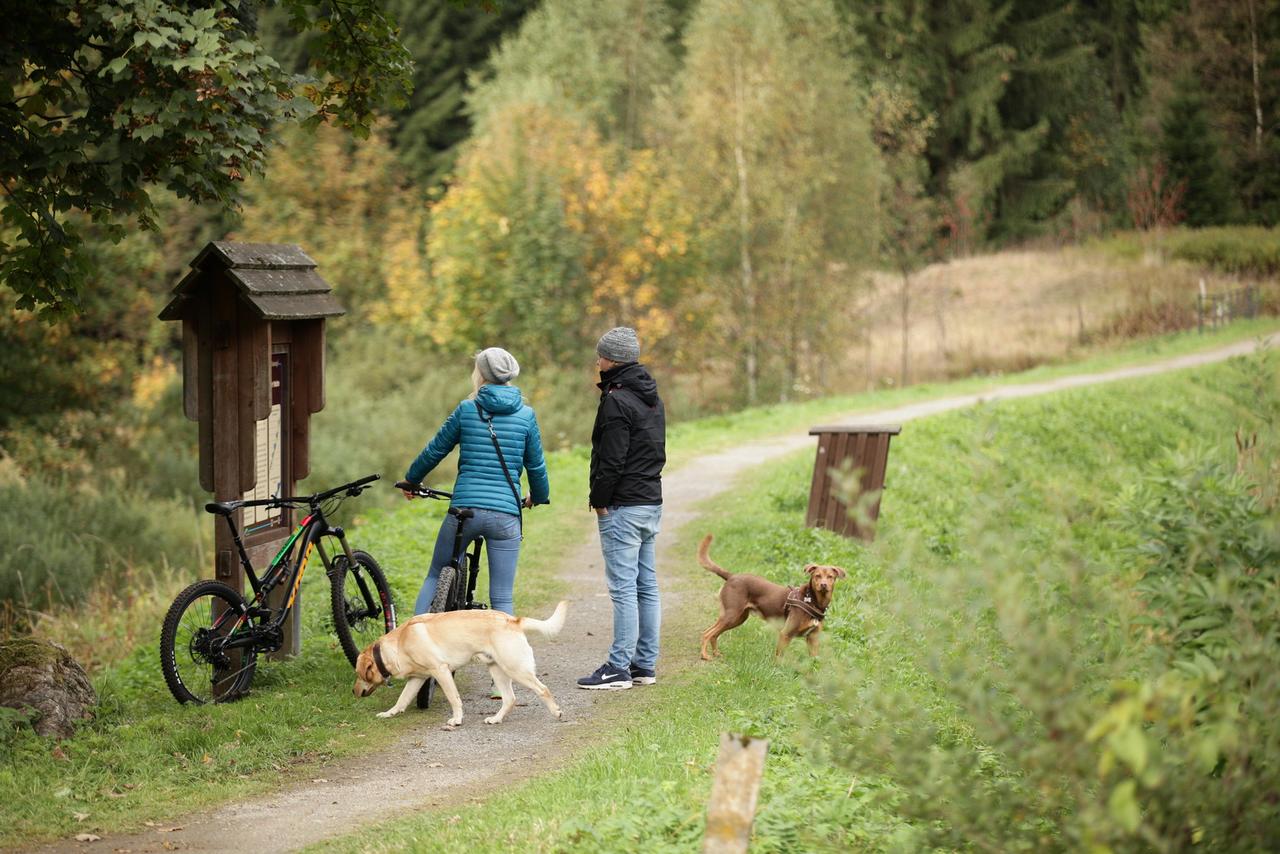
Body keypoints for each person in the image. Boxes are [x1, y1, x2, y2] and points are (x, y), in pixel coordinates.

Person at [402, 347, 550, 619]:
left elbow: (435, 450)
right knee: (502, 595)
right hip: (505, 515)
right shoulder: (526, 416)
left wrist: (412, 480)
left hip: (464, 512)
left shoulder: (467, 409)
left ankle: (414, 643)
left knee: (436, 573)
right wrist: (538, 496)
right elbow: (536, 465)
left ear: (480, 374)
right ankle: (507, 659)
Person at [577, 327, 666, 690]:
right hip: (650, 501)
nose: (597, 361)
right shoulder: (651, 397)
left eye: (600, 355)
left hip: (623, 506)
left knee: (624, 588)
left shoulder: (616, 399)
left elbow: (611, 459)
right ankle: (644, 665)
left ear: (611, 359)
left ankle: (618, 667)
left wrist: (599, 500)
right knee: (646, 586)